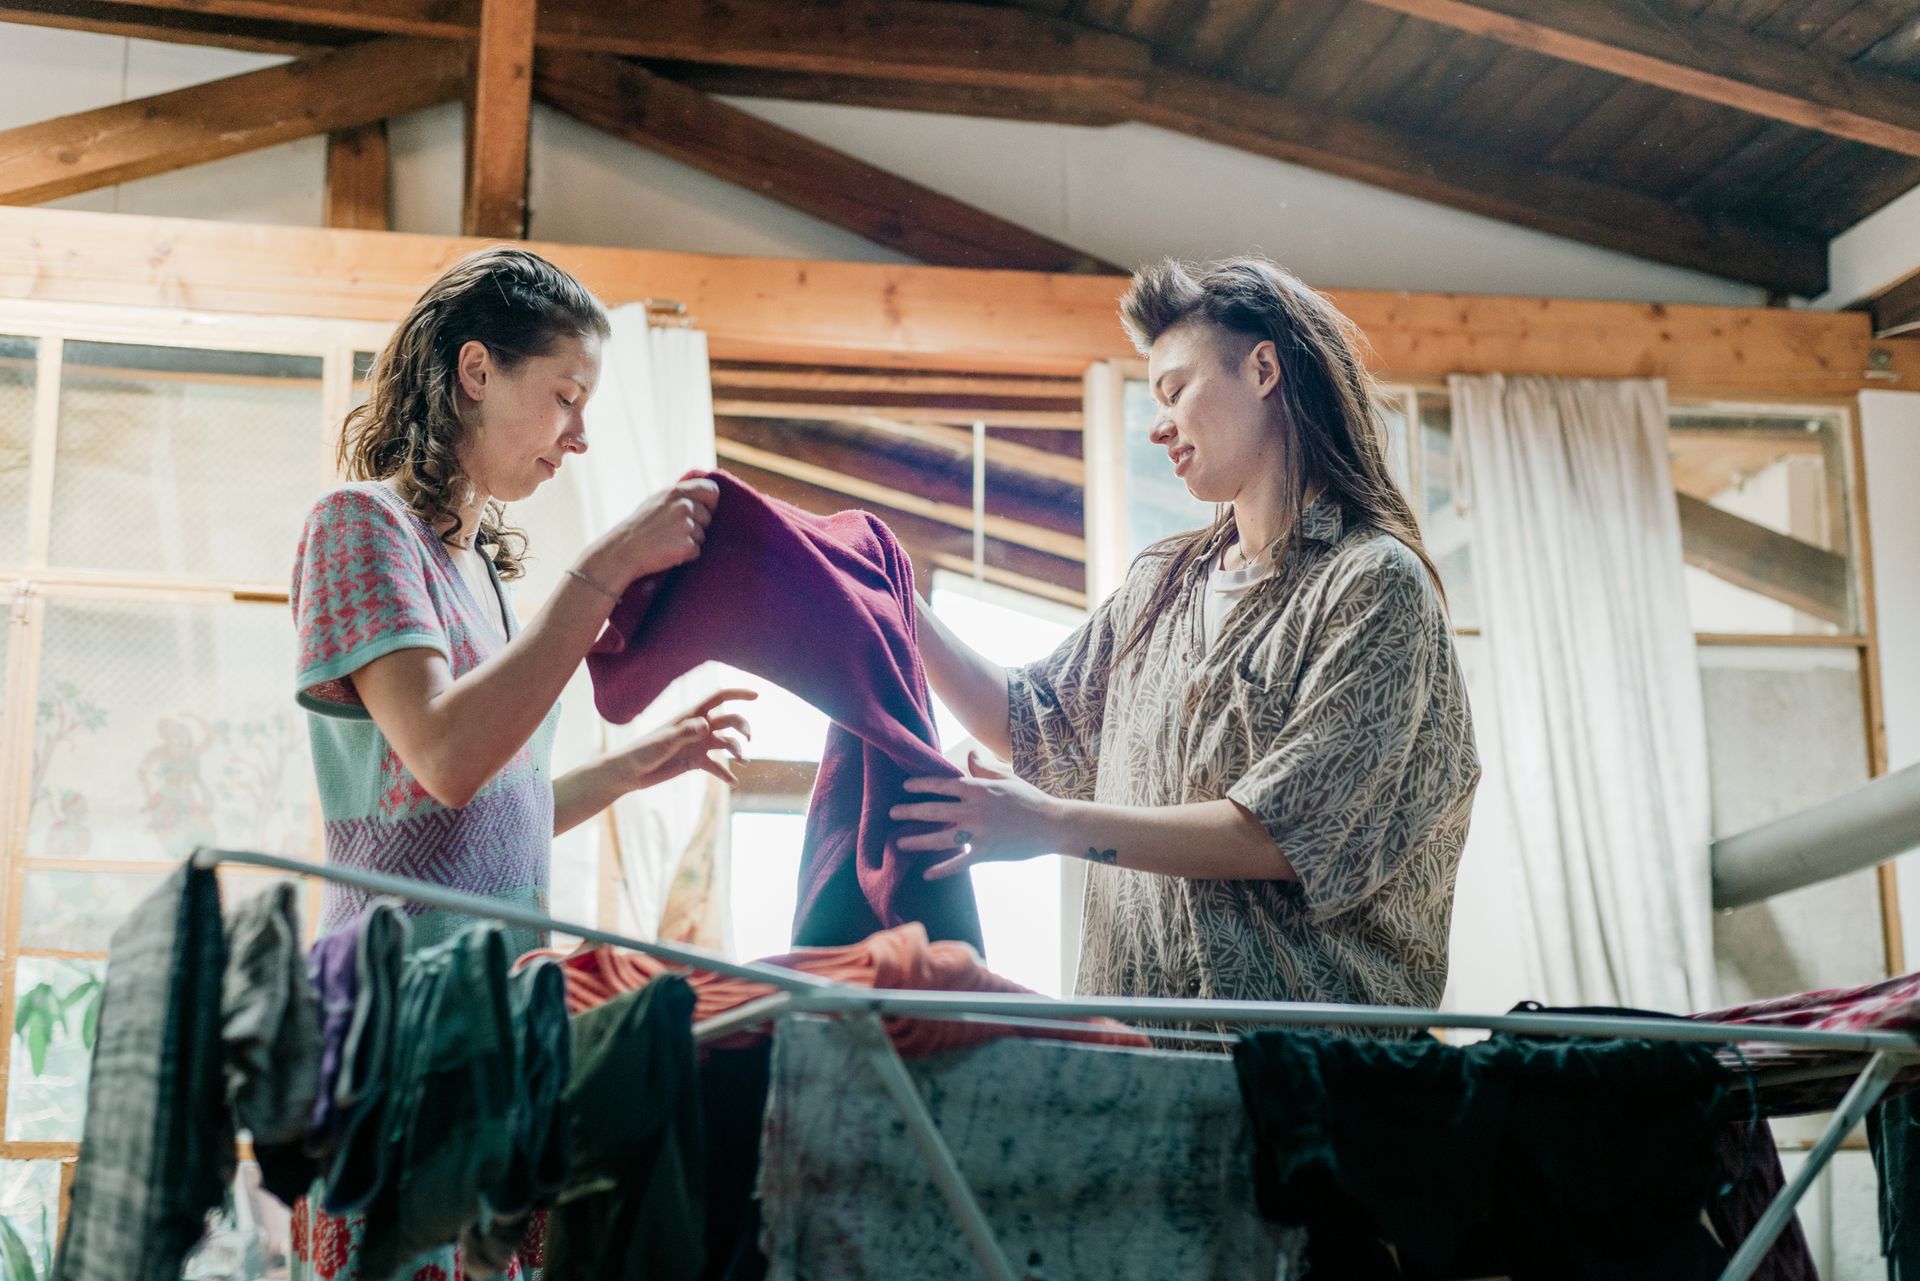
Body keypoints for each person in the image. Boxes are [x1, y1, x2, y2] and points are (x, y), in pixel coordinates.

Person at [287, 246, 752, 1281]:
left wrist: (637, 766)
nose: (579, 437)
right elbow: (445, 757)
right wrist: (601, 572)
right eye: (566, 398)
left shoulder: (481, 572)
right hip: (398, 1032)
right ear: (477, 370)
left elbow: (482, 817)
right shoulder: (361, 525)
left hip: (502, 1021)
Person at [898, 257, 1479, 1013]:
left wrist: (1047, 824)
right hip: (1131, 1058)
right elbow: (1029, 718)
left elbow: (1281, 832)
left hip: (1300, 1080)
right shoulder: (1159, 586)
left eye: (1175, 389)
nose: (1157, 423)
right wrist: (892, 597)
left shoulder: (1374, 585)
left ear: (1263, 367)